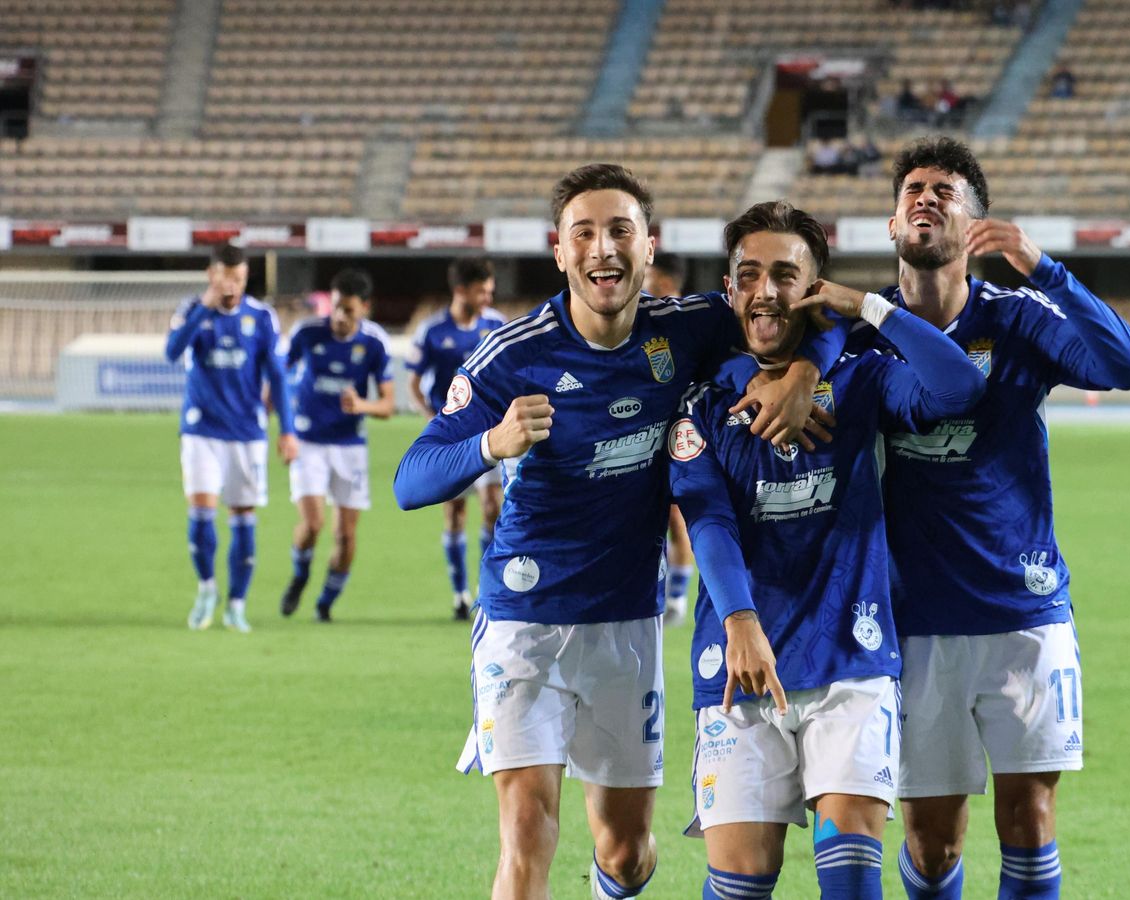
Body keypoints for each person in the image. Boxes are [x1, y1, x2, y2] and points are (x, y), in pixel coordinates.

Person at [391, 164, 843, 900]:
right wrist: (491, 445)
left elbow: (810, 310)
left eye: (620, 231)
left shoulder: (686, 326)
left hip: (626, 624)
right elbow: (410, 480)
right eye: (584, 234)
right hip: (524, 621)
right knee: (527, 833)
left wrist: (803, 375)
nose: (603, 248)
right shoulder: (515, 355)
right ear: (559, 252)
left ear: (648, 246)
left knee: (629, 854)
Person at [861, 138, 1130, 900]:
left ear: (977, 228)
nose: (926, 198)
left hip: (1024, 610)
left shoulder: (1017, 317)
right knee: (932, 843)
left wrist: (1043, 268)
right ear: (892, 224)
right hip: (913, 619)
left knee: (1030, 818)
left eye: (946, 191)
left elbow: (1128, 366)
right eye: (913, 190)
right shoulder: (860, 333)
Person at [671, 201, 985, 900]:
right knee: (739, 886)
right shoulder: (703, 403)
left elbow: (960, 386)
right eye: (749, 275)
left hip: (851, 659)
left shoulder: (863, 377)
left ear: (814, 289)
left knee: (849, 883)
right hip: (741, 667)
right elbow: (707, 518)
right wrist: (740, 620)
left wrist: (867, 307)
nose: (766, 291)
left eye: (786, 275)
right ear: (729, 290)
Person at [164, 243, 298, 633]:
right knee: (201, 511)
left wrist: (287, 430)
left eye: (238, 278)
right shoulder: (191, 310)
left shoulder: (262, 317)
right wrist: (204, 308)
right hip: (201, 430)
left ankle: (237, 604)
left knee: (243, 517)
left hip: (246, 434)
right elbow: (172, 351)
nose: (232, 286)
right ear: (212, 276)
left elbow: (278, 377)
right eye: (226, 278)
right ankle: (207, 588)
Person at [278, 268, 395, 622]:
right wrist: (284, 427)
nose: (340, 316)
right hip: (308, 441)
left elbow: (387, 405)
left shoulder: (375, 343)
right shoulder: (307, 332)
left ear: (365, 308)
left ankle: (325, 603)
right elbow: (277, 376)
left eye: (349, 309)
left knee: (345, 536)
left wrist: (362, 406)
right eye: (336, 307)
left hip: (349, 446)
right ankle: (300, 574)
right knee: (313, 524)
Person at [405, 256, 508, 620]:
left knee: (493, 507)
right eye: (481, 291)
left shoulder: (496, 325)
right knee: (455, 513)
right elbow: (413, 383)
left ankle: (484, 589)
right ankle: (460, 593)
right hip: (451, 438)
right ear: (460, 290)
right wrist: (432, 420)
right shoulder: (432, 331)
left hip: (489, 434)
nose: (487, 298)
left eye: (490, 291)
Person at [645, 253, 698, 626]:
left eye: (649, 279)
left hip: (681, 434)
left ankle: (677, 598)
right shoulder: (643, 321)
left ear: (664, 282)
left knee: (677, 517)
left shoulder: (691, 323)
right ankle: (664, 591)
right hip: (648, 434)